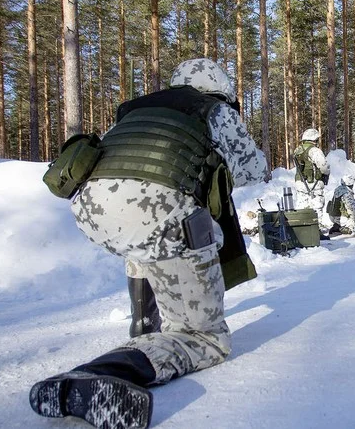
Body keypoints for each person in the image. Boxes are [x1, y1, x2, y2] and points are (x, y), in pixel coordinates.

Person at [29, 58, 267, 429]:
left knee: (146, 234)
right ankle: (102, 373)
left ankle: (144, 324)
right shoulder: (215, 109)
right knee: (204, 337)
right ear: (218, 87)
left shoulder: (135, 109)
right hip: (161, 214)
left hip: (91, 210)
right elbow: (255, 168)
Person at [292, 128, 330, 234]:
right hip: (313, 183)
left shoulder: (298, 150)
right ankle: (316, 232)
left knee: (302, 206)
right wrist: (326, 173)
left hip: (300, 182)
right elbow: (323, 166)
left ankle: (302, 232)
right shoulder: (314, 150)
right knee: (316, 206)